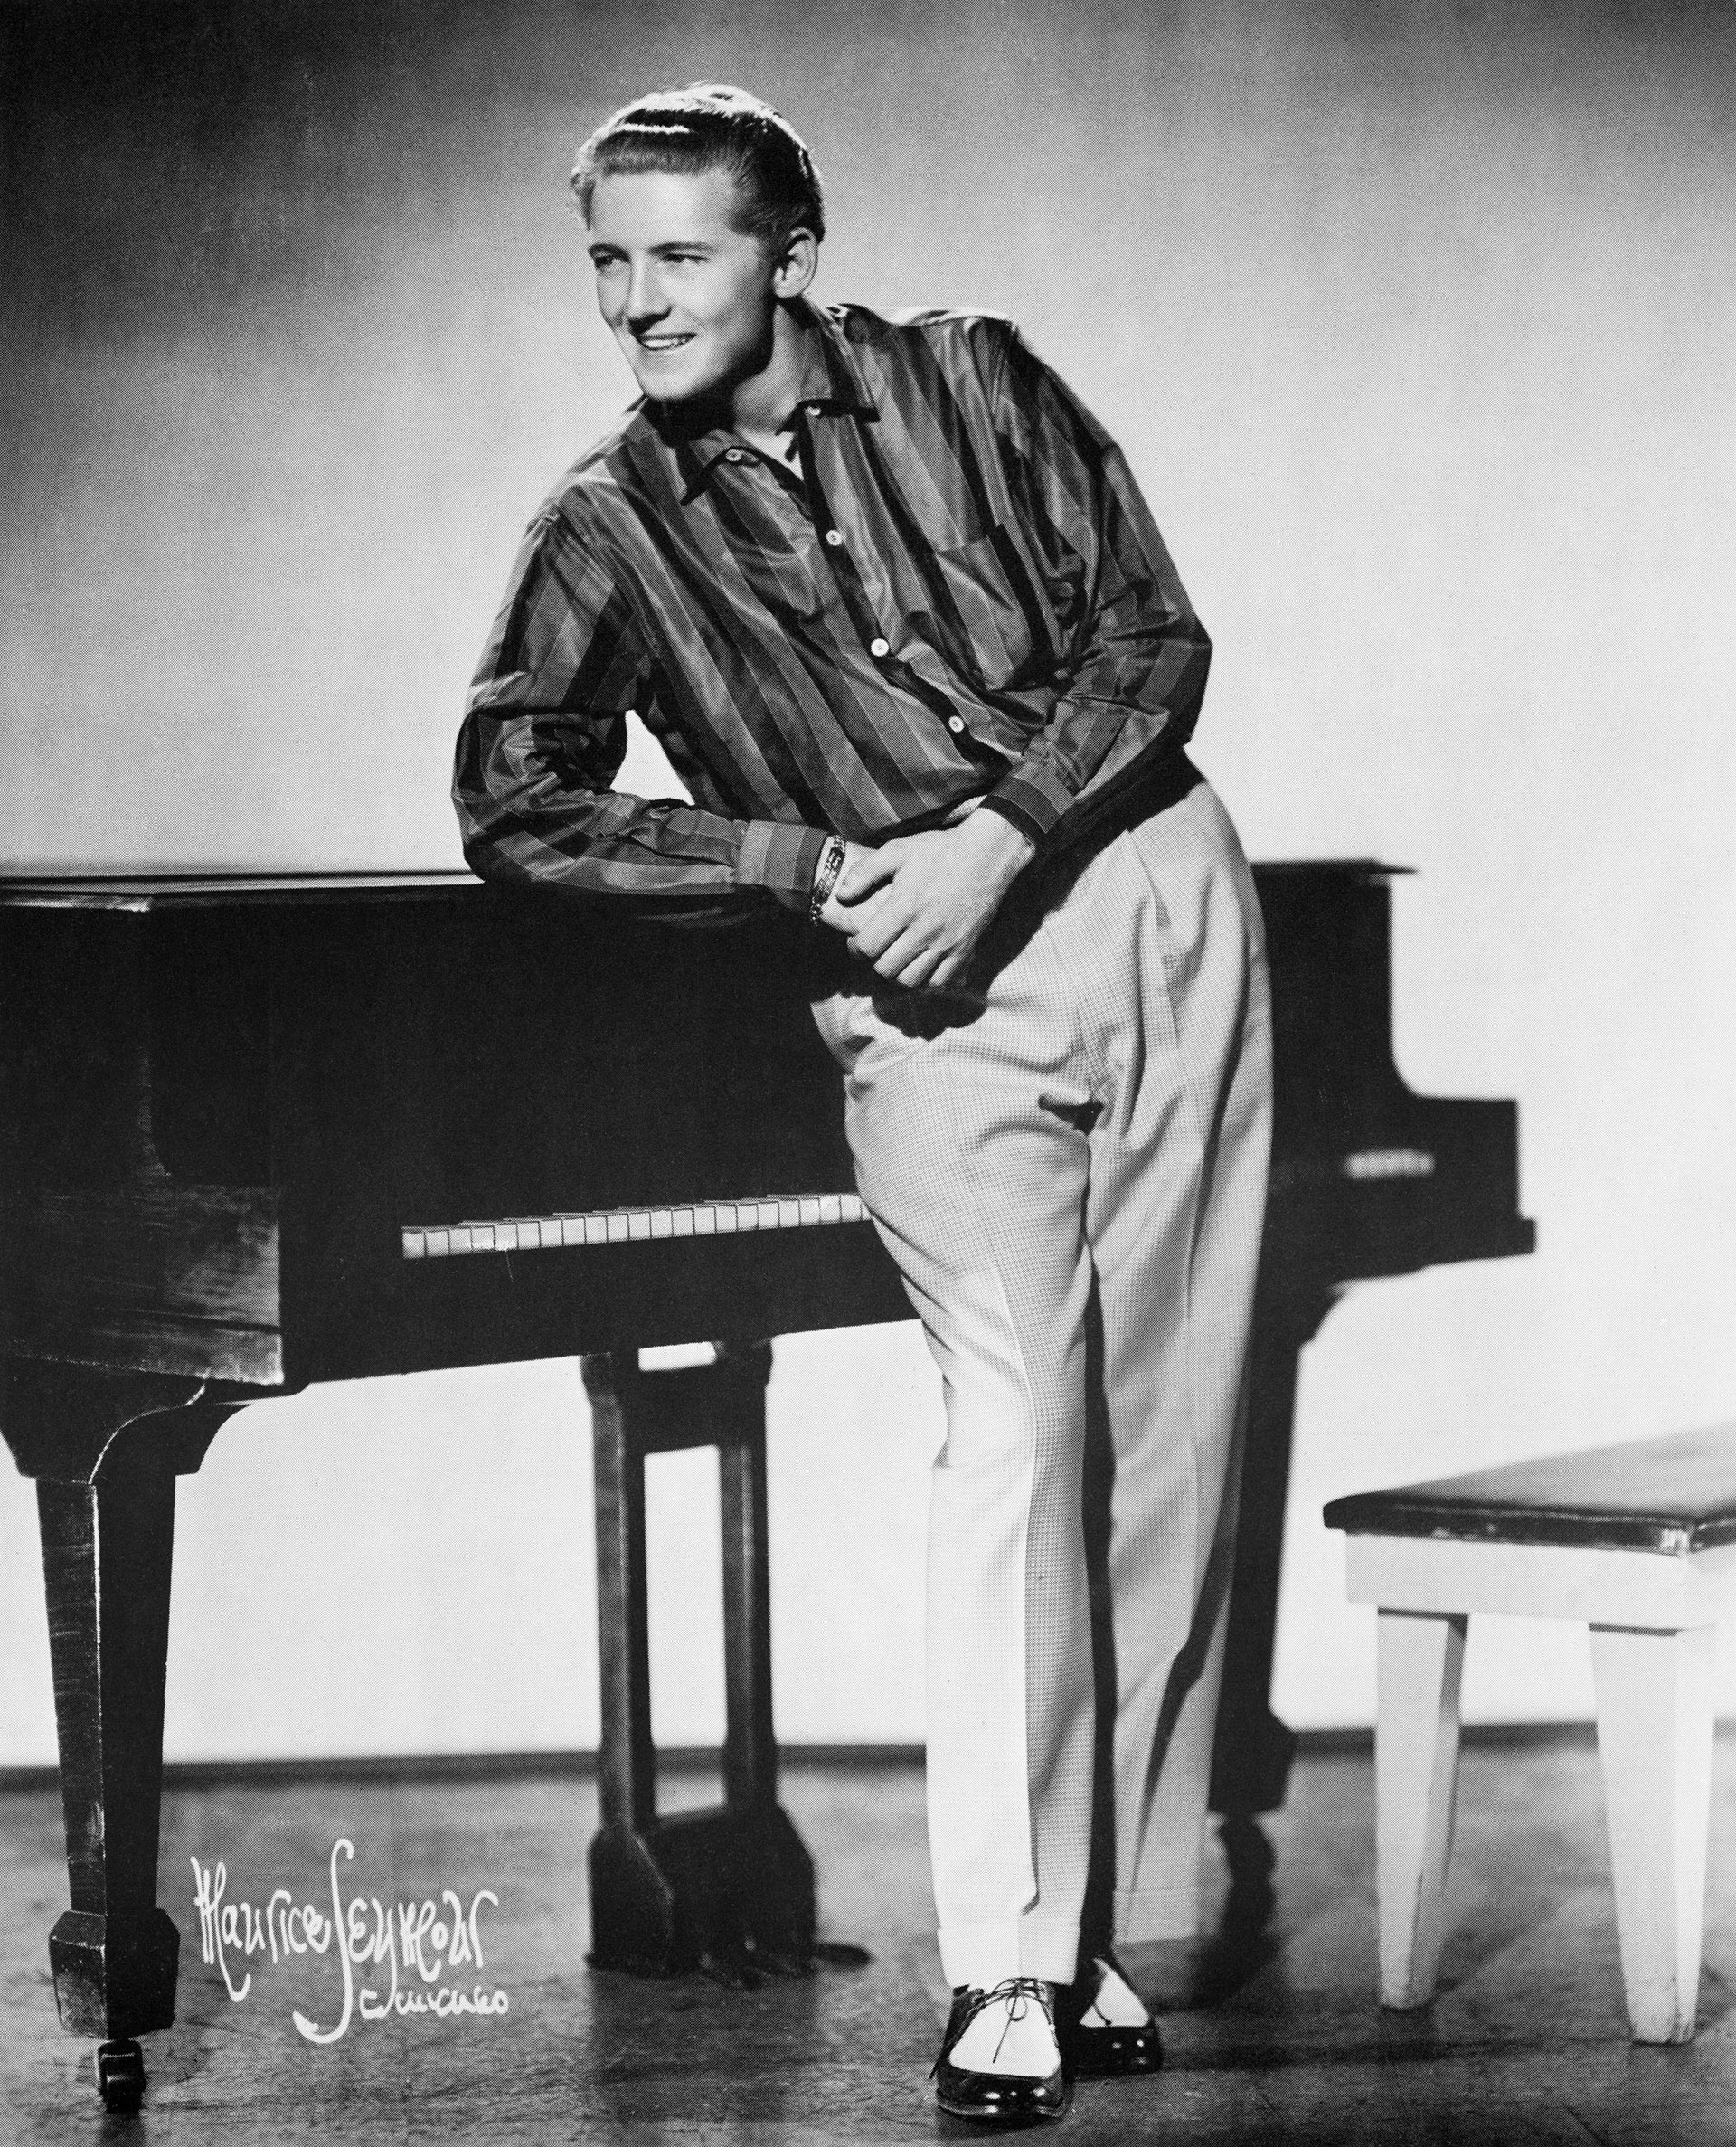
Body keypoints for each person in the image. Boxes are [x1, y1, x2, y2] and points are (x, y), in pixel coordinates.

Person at [453, 82, 1271, 2124]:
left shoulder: (976, 383)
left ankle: (1092, 1939)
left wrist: (1001, 831)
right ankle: (1004, 1953)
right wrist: (795, 867)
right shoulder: (604, 526)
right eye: (610, 264)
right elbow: (512, 792)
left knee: (1166, 1432)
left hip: (1149, 889)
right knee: (1011, 1430)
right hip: (918, 990)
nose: (638, 302)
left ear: (789, 252)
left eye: (682, 255)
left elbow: (1149, 635)